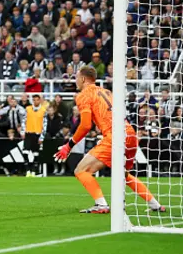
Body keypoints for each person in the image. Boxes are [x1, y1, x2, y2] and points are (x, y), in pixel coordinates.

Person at [55, 66, 166, 214]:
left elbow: (86, 125)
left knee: (81, 170)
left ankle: (101, 204)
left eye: (76, 78)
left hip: (115, 136)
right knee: (123, 174)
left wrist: (69, 145)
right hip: (130, 133)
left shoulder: (83, 95)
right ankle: (155, 204)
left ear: (82, 79)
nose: (75, 81)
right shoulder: (106, 91)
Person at [23, 94, 46, 177]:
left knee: (36, 153)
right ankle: (27, 171)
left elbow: (45, 124)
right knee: (25, 151)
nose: (36, 101)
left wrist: (42, 136)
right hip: (28, 133)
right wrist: (23, 131)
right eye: (34, 100)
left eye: (37, 100)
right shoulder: (28, 109)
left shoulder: (43, 110)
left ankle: (33, 171)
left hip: (37, 134)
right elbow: (24, 120)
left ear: (40, 100)